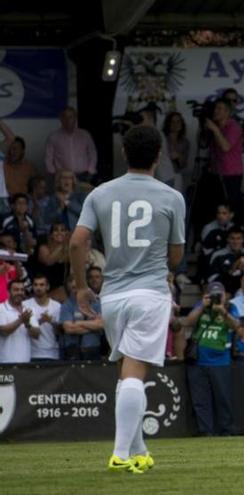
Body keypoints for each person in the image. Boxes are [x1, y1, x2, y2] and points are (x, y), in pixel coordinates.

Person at [68, 126, 186, 473]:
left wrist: (79, 286)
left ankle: (139, 452)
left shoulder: (100, 194)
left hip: (113, 295)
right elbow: (176, 256)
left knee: (127, 371)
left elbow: (77, 243)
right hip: (149, 292)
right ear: (159, 156)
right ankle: (120, 454)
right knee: (135, 371)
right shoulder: (171, 196)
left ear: (123, 152)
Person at [178, 282, 239, 437]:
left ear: (225, 295)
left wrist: (222, 311)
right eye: (213, 295)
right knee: (200, 400)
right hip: (198, 361)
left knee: (223, 398)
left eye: (219, 294)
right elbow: (189, 322)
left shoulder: (231, 308)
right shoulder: (201, 305)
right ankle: (205, 431)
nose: (216, 297)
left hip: (221, 361)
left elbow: (236, 326)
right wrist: (201, 306)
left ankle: (227, 430)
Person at [204, 99, 244, 217]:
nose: (216, 111)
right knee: (216, 206)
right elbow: (204, 145)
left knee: (230, 207)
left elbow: (225, 147)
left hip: (231, 174)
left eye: (219, 109)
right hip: (216, 172)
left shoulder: (234, 127)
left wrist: (214, 129)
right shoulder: (216, 127)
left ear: (228, 112)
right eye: (215, 108)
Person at [44, 107, 97, 183]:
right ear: (61, 119)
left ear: (75, 118)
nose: (68, 120)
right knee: (64, 195)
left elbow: (92, 153)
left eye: (70, 117)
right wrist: (53, 174)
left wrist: (91, 170)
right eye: (65, 117)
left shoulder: (85, 135)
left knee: (83, 195)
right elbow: (48, 158)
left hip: (84, 175)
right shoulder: (53, 137)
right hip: (62, 177)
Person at [59, 275, 104, 360]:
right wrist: (92, 326)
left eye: (77, 286)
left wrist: (78, 323)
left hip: (93, 347)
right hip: (73, 348)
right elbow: (69, 328)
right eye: (73, 286)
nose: (75, 288)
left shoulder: (96, 302)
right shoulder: (67, 305)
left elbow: (101, 324)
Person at [209, 227, 244, 294]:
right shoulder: (217, 255)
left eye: (238, 238)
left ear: (243, 240)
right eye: (232, 238)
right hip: (224, 292)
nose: (235, 242)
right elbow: (212, 280)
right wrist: (231, 270)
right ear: (227, 239)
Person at [24, 274, 61, 361]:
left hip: (52, 353)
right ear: (32, 287)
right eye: (35, 285)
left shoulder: (57, 306)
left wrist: (51, 321)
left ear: (47, 287)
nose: (38, 288)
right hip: (32, 354)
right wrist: (39, 322)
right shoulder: (25, 305)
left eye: (41, 285)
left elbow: (60, 332)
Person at [0, 279, 38, 363]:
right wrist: (21, 320)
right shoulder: (1, 308)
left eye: (22, 290)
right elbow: (3, 332)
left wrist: (27, 324)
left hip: (26, 363)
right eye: (16, 290)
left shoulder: (29, 310)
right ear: (8, 292)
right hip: (6, 363)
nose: (19, 292)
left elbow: (36, 335)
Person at [162, 111, 191, 194]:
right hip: (162, 175)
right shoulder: (163, 139)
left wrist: (179, 157)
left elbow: (184, 164)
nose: (176, 124)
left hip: (176, 175)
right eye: (173, 122)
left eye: (178, 121)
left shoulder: (185, 142)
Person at [222, 88, 244, 153]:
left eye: (234, 100)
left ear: (237, 102)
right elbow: (204, 145)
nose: (231, 103)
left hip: (232, 161)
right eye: (228, 100)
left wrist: (225, 145)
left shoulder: (243, 122)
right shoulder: (214, 119)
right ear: (222, 101)